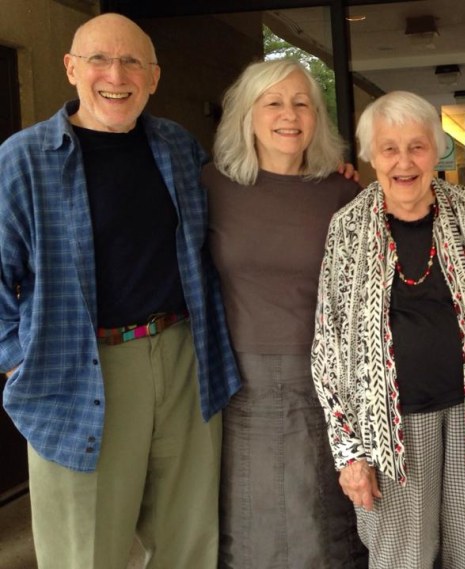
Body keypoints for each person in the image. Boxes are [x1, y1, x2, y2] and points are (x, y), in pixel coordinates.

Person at [0, 13, 240, 569]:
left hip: (182, 359)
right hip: (76, 370)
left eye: (132, 61)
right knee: (85, 552)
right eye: (99, 60)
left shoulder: (178, 147)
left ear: (153, 77)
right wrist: (17, 357)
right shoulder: (23, 159)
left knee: (190, 541)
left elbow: (237, 211)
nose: (116, 74)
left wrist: (321, 175)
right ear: (70, 69)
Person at [311, 90, 465, 569]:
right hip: (388, 430)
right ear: (371, 156)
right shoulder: (348, 227)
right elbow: (328, 344)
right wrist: (348, 452)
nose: (403, 161)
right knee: (401, 559)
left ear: (436, 151)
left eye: (416, 146)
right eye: (389, 148)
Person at [202, 59, 367, 568]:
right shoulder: (209, 188)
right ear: (247, 115)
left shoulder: (344, 193)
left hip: (329, 382)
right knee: (250, 523)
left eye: (302, 103)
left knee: (326, 522)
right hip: (240, 383)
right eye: (273, 102)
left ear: (317, 117)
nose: (288, 114)